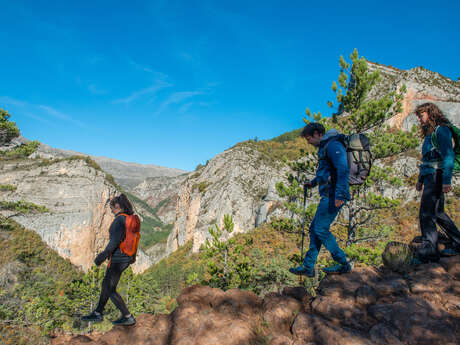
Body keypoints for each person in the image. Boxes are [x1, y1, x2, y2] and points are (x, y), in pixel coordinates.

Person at [289, 122, 352, 276]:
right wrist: (313, 182)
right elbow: (325, 173)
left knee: (320, 229)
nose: (308, 142)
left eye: (309, 138)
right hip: (328, 194)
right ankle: (308, 267)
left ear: (317, 133)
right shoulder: (325, 147)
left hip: (333, 195)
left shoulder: (332, 145)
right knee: (314, 229)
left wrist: (340, 194)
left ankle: (343, 262)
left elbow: (343, 169)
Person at [82, 194, 137, 326]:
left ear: (117, 207)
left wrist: (102, 256)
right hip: (126, 257)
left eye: (112, 208)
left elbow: (115, 241)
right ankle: (98, 313)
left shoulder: (119, 220)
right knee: (106, 285)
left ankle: (127, 316)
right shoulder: (127, 219)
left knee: (110, 288)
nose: (111, 211)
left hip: (118, 259)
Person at [414, 103, 460, 262]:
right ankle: (458, 241)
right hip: (430, 176)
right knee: (438, 213)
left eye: (421, 115)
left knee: (426, 214)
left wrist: (446, 181)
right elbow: (426, 160)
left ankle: (429, 253)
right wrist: (420, 180)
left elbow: (448, 157)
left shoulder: (442, 130)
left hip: (436, 177)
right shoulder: (430, 133)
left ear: (430, 113)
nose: (419, 119)